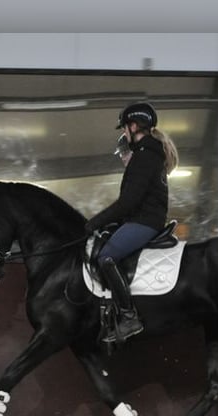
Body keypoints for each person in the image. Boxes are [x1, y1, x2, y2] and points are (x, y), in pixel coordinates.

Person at [85, 101, 179, 343]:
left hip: (145, 222)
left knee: (106, 257)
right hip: (142, 219)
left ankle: (128, 316)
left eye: (125, 128)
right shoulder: (148, 155)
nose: (124, 133)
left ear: (134, 126)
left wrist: (93, 222)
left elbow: (128, 203)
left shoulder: (145, 157)